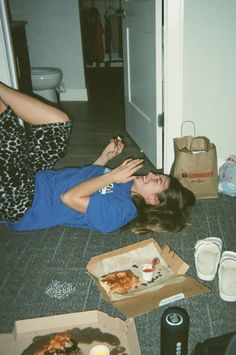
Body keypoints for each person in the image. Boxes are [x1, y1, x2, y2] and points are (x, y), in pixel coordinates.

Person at [0, 82, 195, 234]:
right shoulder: (126, 183)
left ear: (153, 200)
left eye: (157, 180)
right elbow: (86, 179)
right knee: (59, 125)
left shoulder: (120, 212)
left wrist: (112, 176)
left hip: (26, 204)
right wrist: (104, 158)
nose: (152, 173)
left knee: (8, 136)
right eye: (157, 174)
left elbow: (69, 197)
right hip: (36, 177)